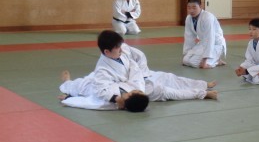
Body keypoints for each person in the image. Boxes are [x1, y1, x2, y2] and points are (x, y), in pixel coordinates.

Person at [59, 35, 217, 110]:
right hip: (124, 83)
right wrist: (69, 98)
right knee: (81, 85)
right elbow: (94, 97)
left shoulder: (120, 51)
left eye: (120, 47)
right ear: (107, 52)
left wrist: (142, 73)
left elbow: (138, 59)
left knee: (168, 77)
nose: (122, 50)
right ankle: (67, 83)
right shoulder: (103, 72)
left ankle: (203, 84)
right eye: (118, 49)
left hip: (138, 77)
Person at [183, 0, 226, 68]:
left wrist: (205, 60)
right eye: (189, 8)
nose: (191, 10)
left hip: (216, 44)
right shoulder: (189, 18)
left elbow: (210, 38)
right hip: (203, 43)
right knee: (185, 60)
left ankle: (216, 61)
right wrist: (186, 53)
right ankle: (214, 59)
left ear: (200, 6)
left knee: (195, 63)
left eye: (194, 8)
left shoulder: (207, 17)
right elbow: (189, 37)